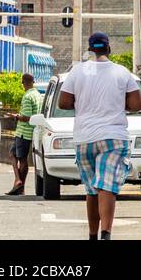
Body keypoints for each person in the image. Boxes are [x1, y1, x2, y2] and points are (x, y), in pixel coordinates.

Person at [58, 33, 141, 240]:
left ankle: (92, 235)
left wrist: (84, 103)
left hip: (84, 138)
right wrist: (115, 104)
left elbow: (63, 103)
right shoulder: (122, 73)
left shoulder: (77, 72)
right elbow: (136, 105)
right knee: (107, 185)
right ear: (108, 49)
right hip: (113, 136)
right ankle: (106, 233)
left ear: (90, 50)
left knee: (92, 188)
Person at [7, 73, 39, 196]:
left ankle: (18, 181)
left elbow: (26, 117)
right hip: (31, 131)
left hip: (23, 132)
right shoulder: (37, 95)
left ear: (24, 82)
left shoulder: (27, 97)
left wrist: (16, 117)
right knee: (19, 157)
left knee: (19, 157)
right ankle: (20, 186)